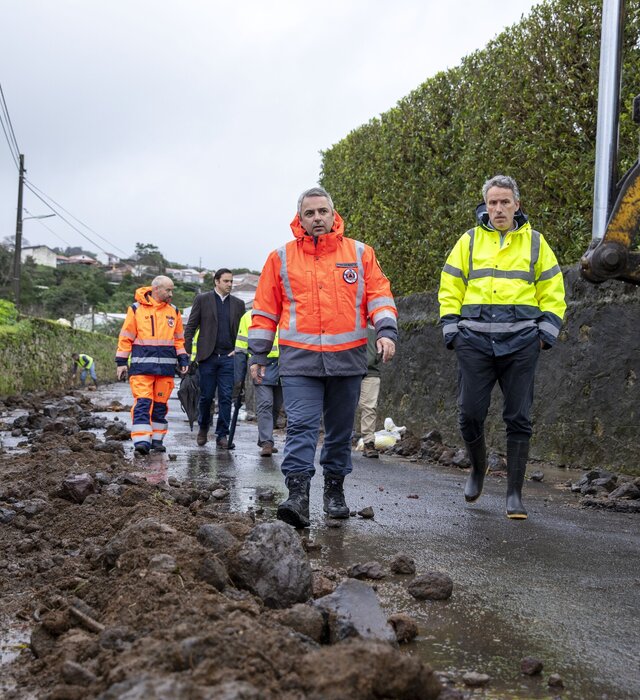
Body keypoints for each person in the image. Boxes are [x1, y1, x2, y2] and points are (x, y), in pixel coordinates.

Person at [248, 186, 398, 528]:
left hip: (347, 361)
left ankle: (334, 491)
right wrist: (258, 354)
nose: (317, 218)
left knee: (340, 431)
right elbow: (265, 310)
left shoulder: (360, 253)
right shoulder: (280, 258)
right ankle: (298, 495)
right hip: (299, 362)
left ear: (333, 215)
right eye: (310, 213)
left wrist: (386, 332)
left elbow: (379, 296)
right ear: (299, 219)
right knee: (301, 426)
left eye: (322, 211)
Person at [438, 175, 566, 519]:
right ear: (485, 205)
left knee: (519, 417)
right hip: (474, 342)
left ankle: (514, 495)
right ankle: (478, 469)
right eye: (492, 202)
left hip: (522, 344)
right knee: (469, 414)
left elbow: (554, 291)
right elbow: (450, 286)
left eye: (505, 202)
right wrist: (453, 331)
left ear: (516, 205)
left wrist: (544, 335)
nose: (498, 208)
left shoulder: (536, 243)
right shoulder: (468, 241)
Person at [115, 275, 189, 455]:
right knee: (143, 403)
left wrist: (183, 359)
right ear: (156, 289)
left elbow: (178, 340)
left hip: (165, 370)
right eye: (168, 290)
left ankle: (157, 440)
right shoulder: (136, 309)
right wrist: (121, 362)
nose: (171, 294)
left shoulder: (174, 311)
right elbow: (126, 337)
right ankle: (141, 441)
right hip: (142, 369)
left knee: (160, 406)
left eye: (172, 290)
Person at [185, 268, 245, 448]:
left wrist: (238, 350)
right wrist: (187, 352)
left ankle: (222, 435)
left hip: (228, 357)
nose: (230, 284)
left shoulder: (238, 304)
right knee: (206, 396)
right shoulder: (202, 299)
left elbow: (242, 331)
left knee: (226, 397)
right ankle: (203, 427)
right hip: (207, 357)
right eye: (226, 281)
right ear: (216, 281)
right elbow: (191, 327)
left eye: (231, 281)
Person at [235, 308, 283, 456]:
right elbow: (241, 347)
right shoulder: (248, 316)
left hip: (283, 363)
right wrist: (239, 375)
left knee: (276, 406)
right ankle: (267, 442)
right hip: (261, 363)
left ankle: (264, 437)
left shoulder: (285, 311)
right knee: (266, 403)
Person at [358, 325, 382, 458]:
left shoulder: (377, 320)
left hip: (371, 370)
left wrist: (375, 357)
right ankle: (339, 441)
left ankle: (369, 443)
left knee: (369, 407)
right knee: (343, 407)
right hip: (347, 369)